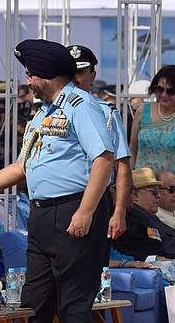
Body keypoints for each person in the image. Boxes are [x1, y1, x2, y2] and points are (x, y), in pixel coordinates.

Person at [0, 39, 114, 323]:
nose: (27, 82)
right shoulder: (43, 113)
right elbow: (21, 166)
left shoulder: (81, 105)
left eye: (30, 75)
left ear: (46, 74)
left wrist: (86, 211)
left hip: (72, 210)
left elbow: (103, 157)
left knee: (73, 306)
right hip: (42, 215)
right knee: (34, 305)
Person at [67, 44, 131, 242]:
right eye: (69, 71)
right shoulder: (50, 111)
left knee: (90, 269)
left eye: (80, 71)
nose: (74, 77)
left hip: (93, 199)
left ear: (92, 75)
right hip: (57, 202)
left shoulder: (106, 112)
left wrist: (119, 210)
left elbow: (122, 165)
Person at [130, 65, 175, 215]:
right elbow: (132, 150)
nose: (163, 94)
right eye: (159, 89)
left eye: (170, 91)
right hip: (143, 190)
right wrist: (128, 182)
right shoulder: (143, 111)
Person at [112, 168, 175, 263]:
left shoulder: (148, 215)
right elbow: (147, 249)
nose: (158, 196)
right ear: (135, 196)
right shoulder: (131, 217)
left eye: (159, 191)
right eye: (154, 192)